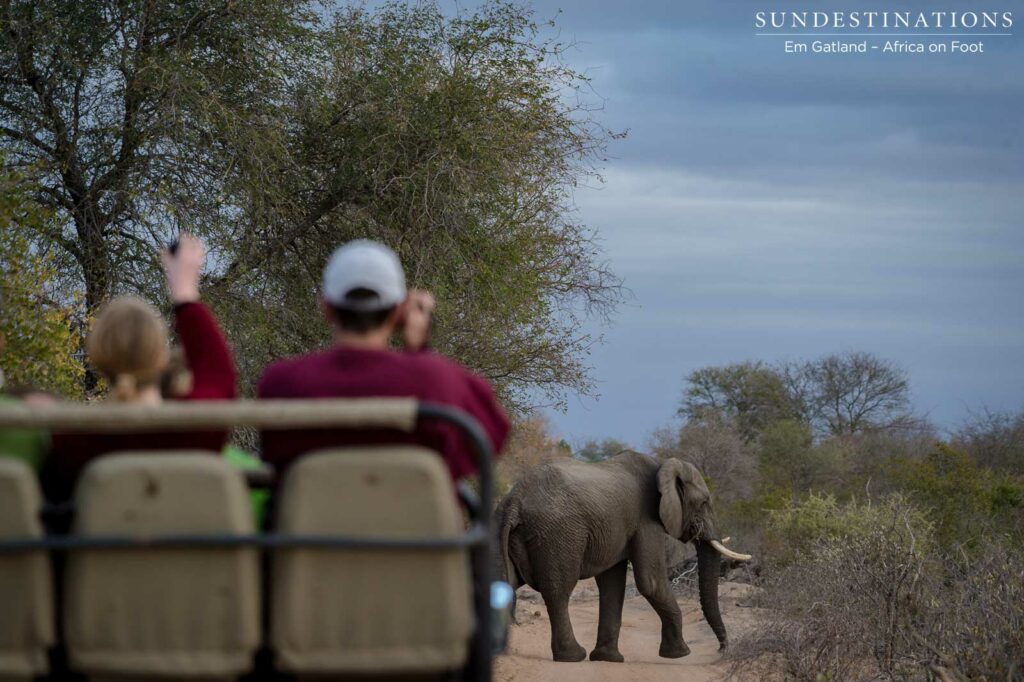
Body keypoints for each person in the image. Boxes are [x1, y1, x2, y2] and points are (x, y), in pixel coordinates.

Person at [257, 239, 509, 481]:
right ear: (400, 311)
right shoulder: (437, 380)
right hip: (413, 524)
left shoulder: (280, 380)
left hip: (306, 524)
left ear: (326, 307)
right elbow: (491, 437)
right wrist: (421, 351)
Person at [40, 235, 237, 505]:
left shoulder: (71, 442)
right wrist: (184, 294)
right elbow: (217, 372)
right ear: (161, 358)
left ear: (97, 357)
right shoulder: (194, 427)